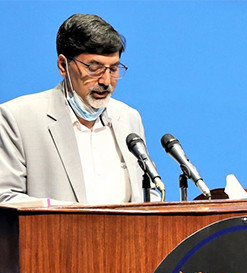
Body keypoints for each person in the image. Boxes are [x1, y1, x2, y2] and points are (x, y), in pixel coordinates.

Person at [0, 13, 149, 204]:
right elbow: (6, 198)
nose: (105, 81)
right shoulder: (18, 119)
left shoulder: (128, 118)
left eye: (113, 69)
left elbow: (145, 193)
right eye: (94, 68)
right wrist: (75, 215)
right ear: (63, 65)